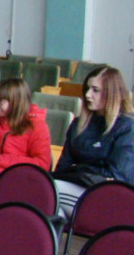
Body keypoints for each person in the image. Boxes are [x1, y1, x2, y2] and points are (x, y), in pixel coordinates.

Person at [53, 66, 134, 217]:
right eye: (87, 89)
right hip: (74, 189)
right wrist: (86, 171)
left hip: (109, 198)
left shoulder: (127, 128)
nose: (87, 95)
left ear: (112, 93)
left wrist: (77, 168)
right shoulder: (79, 124)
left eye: (95, 90)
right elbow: (62, 168)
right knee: (49, 203)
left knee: (47, 191)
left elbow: (115, 177)